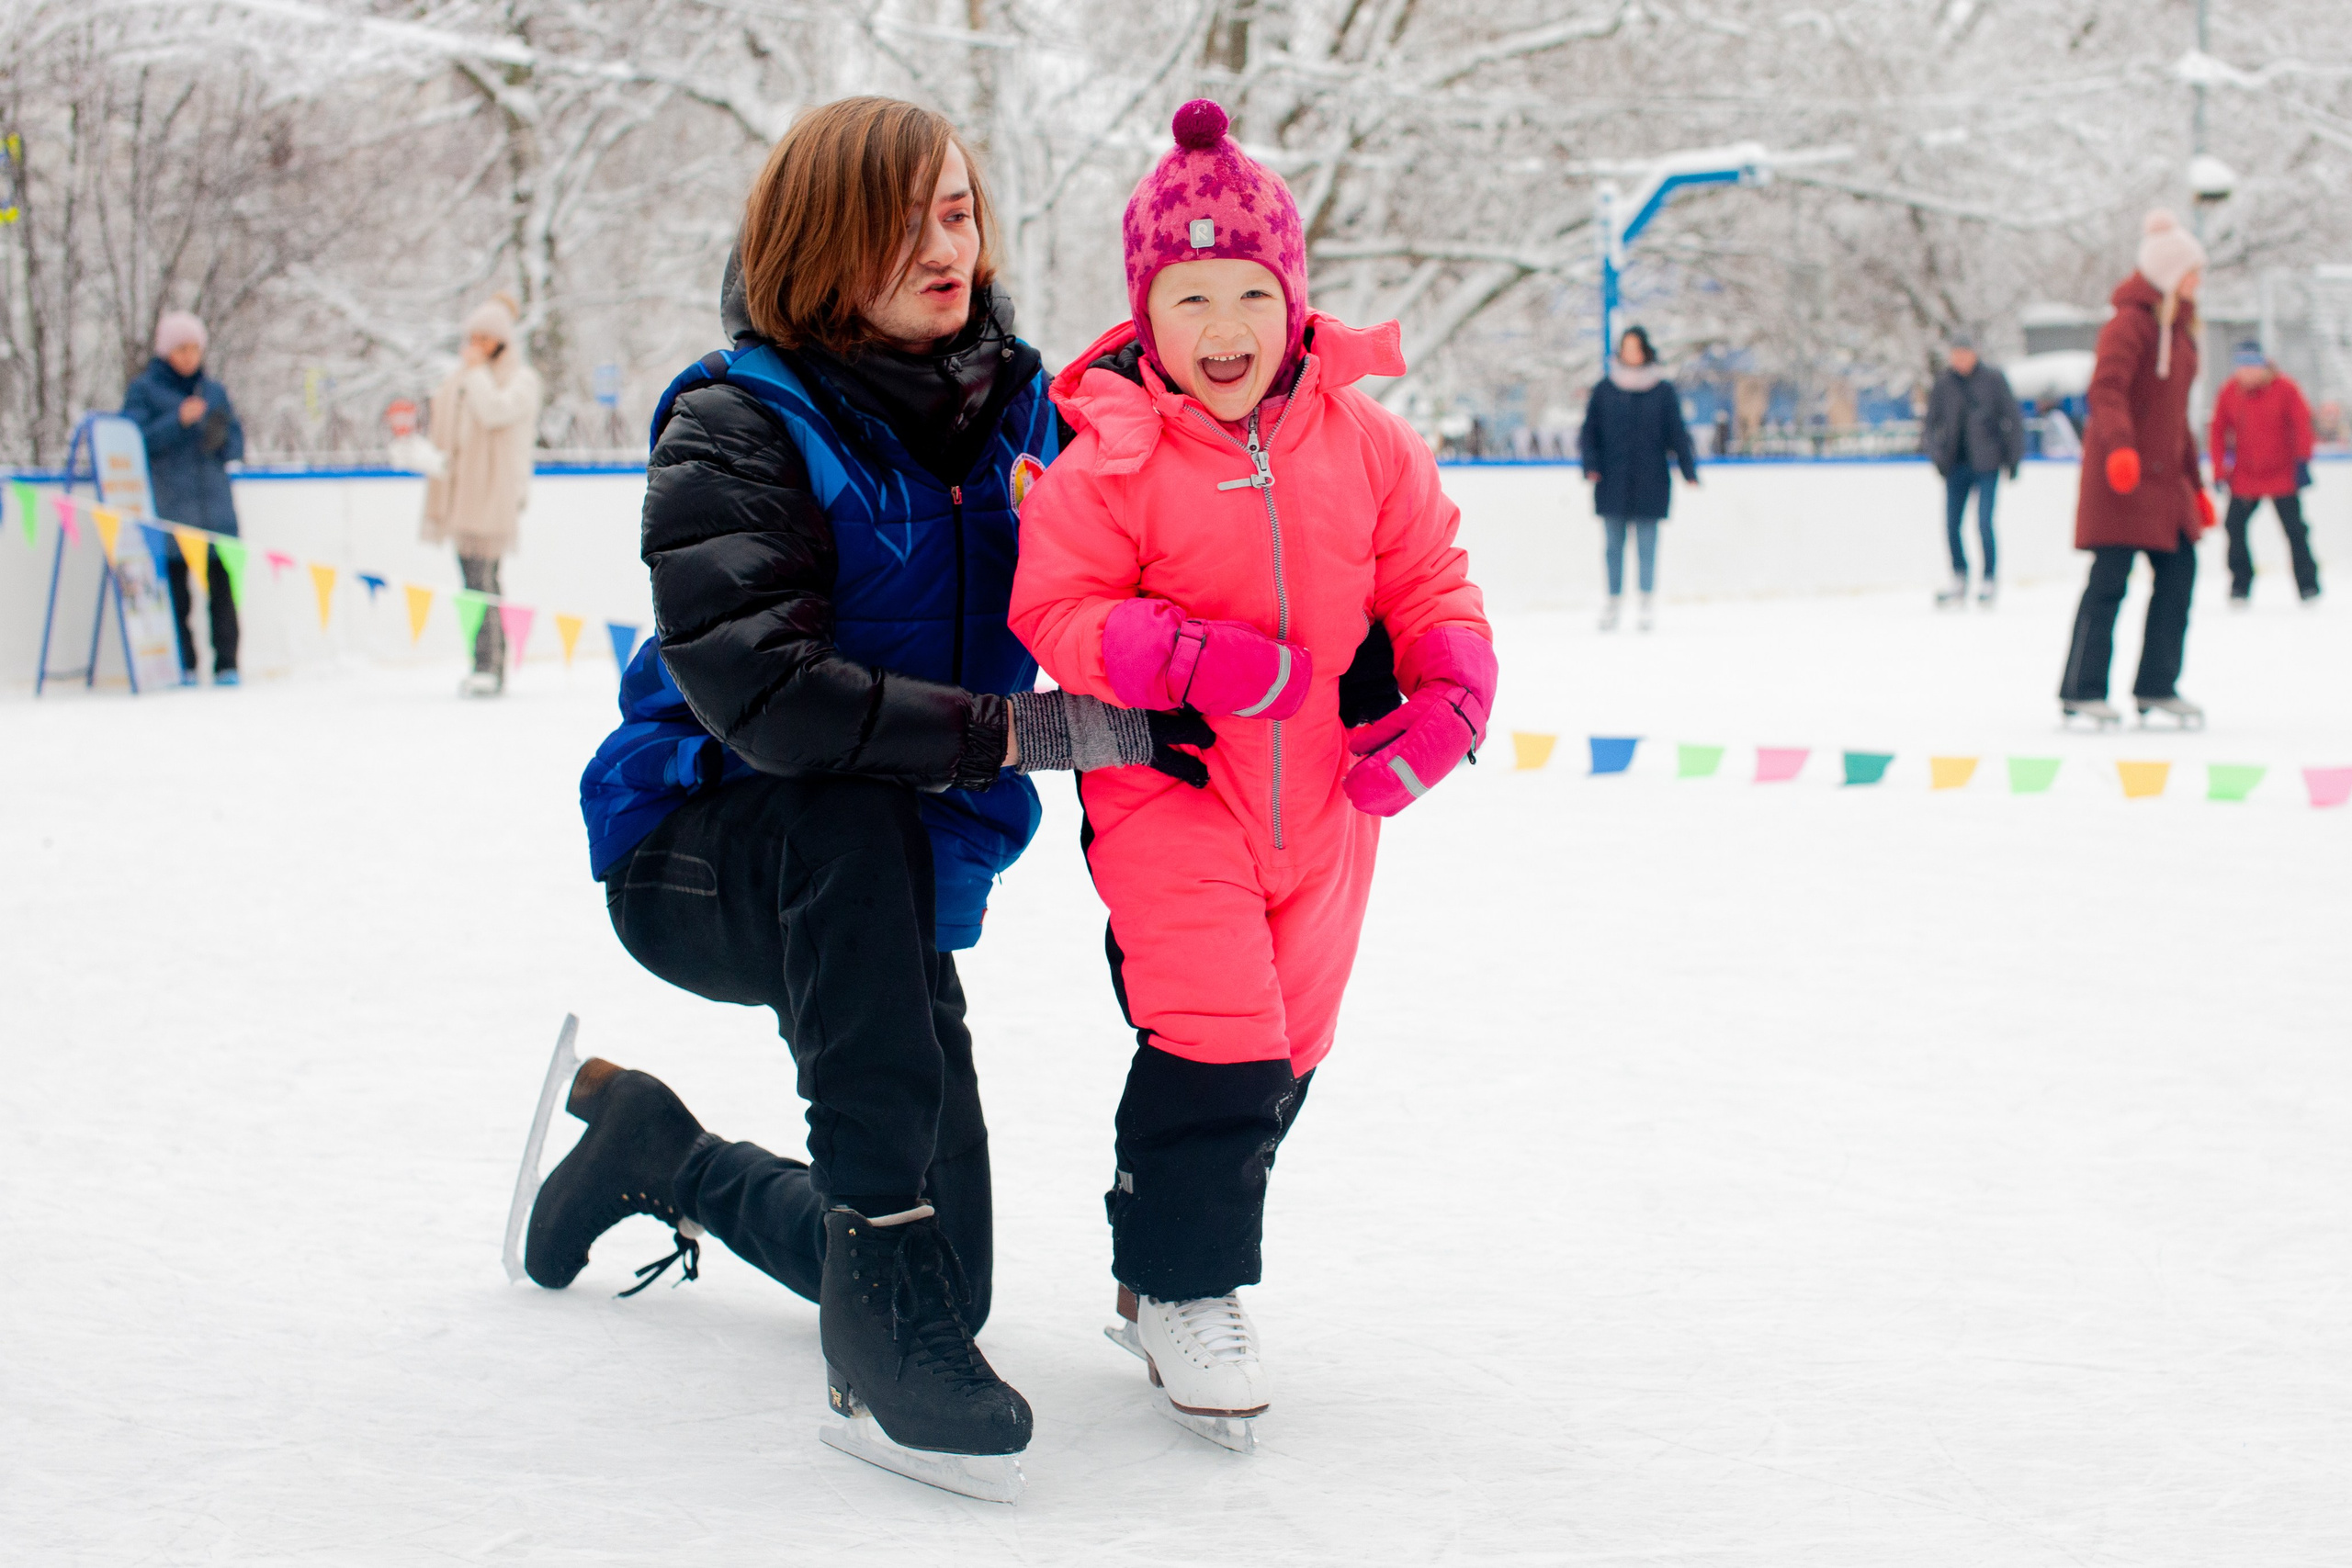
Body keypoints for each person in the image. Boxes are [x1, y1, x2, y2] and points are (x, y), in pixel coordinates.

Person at [534, 97, 1211, 1503]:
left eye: (957, 209)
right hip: (701, 845)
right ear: (819, 239)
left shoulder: (1032, 412)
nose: (941, 243)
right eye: (901, 219)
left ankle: (663, 1153)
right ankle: (872, 1347)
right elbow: (768, 696)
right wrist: (1028, 729)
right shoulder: (732, 420)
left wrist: (1356, 631)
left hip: (890, 874)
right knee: (837, 806)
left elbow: (1175, 547)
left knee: (945, 1282)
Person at [1010, 100, 1492, 1449]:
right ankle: (1185, 1282)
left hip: (1332, 801)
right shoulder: (1109, 454)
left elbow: (1430, 578)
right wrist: (1176, 654)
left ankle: (1152, 1239)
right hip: (1175, 789)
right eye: (1187, 297)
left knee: (1292, 1043)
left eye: (1247, 293)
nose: (1222, 326)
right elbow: (1054, 609)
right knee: (1218, 1025)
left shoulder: (1372, 443)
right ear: (1146, 316)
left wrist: (1454, 691)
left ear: (1291, 299)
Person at [2059, 210, 2215, 729]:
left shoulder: (2181, 331)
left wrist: (2196, 484)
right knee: (2109, 581)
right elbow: (2106, 391)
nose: (2198, 280)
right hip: (2122, 478)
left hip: (2166, 483)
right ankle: (2081, 690)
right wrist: (2119, 448)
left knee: (2180, 574)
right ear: (2169, 273)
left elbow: (2175, 419)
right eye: (2191, 270)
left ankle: (2156, 684)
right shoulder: (2130, 325)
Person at [422, 293, 542, 696]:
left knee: (483, 580)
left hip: (494, 494)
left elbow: (494, 411)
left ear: (501, 340)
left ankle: (490, 664)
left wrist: (472, 374)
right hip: (463, 492)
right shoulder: (467, 376)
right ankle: (485, 662)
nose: (475, 346)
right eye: (472, 337)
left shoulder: (521, 380)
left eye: (484, 338)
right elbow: (446, 418)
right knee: (471, 579)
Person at [121, 312, 243, 686]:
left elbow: (236, 445)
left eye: (195, 348)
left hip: (216, 510)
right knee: (177, 595)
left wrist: (219, 433)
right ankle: (184, 664)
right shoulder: (145, 392)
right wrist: (178, 421)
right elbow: (131, 441)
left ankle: (227, 665)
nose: (189, 356)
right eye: (181, 348)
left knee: (223, 594)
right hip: (170, 510)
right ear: (166, 351)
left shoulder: (213, 392)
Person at [1578, 324, 1697, 631]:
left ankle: (1645, 601)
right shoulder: (1605, 390)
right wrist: (1590, 464)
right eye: (1625, 347)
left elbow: (1677, 434)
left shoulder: (1662, 391)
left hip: (1651, 480)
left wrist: (1688, 470)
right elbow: (1589, 432)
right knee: (1612, 546)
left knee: (1647, 545)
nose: (1630, 353)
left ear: (1645, 350)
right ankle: (1612, 601)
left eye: (1636, 347)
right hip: (1612, 480)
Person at [2209, 341, 2321, 606]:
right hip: (2246, 476)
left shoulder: (2285, 389)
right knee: (2234, 527)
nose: (2247, 372)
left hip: (2282, 474)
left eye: (2252, 365)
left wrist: (2302, 461)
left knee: (2295, 530)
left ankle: (2308, 586)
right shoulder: (2229, 392)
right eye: (2242, 366)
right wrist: (2218, 469)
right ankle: (2240, 585)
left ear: (2263, 366)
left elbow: (2301, 424)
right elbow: (2218, 431)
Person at [1923, 332, 2024, 607]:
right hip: (1956, 465)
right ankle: (1959, 576)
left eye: (1964, 352)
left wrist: (2014, 459)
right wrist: (1938, 456)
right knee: (1952, 525)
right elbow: (1930, 425)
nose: (1960, 359)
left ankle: (1989, 578)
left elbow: (2012, 419)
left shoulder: (1993, 380)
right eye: (1955, 353)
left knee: (1984, 522)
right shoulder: (1944, 385)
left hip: (1987, 464)